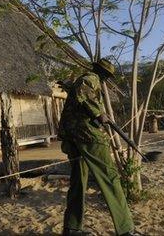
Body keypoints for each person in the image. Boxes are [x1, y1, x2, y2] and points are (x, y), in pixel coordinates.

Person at [58, 58, 136, 236]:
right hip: (87, 135)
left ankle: (72, 227)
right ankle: (125, 230)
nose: (106, 79)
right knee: (110, 177)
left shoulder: (85, 80)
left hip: (72, 136)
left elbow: (77, 95)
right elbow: (83, 91)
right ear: (104, 73)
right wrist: (100, 113)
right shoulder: (90, 79)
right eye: (107, 75)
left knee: (79, 181)